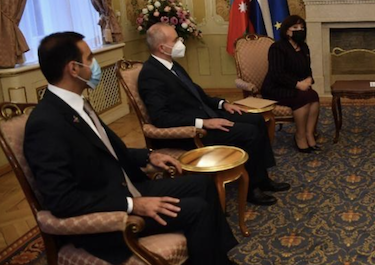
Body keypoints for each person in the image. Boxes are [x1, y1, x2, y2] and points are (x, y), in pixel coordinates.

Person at [24, 32, 238, 265]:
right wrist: (132, 205)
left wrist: (149, 156)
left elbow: (108, 151)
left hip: (126, 188)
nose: (95, 64)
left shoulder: (77, 104)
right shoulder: (46, 124)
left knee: (203, 184)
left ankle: (218, 259)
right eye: (90, 58)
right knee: (197, 209)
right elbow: (62, 199)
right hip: (108, 217)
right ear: (74, 69)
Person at [138, 23, 290, 206]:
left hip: (206, 115)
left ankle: (262, 179)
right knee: (249, 132)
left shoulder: (172, 66)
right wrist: (203, 123)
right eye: (176, 39)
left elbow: (197, 94)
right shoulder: (151, 74)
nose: (181, 42)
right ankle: (252, 188)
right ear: (162, 48)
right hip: (189, 133)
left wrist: (222, 104)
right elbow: (161, 118)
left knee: (256, 120)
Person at [261, 15, 320, 152]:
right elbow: (276, 74)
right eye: (295, 27)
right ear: (287, 30)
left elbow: (307, 69)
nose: (299, 30)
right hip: (276, 88)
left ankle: (309, 134)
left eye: (302, 27)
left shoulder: (303, 47)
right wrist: (297, 84)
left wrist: (309, 79)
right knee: (303, 98)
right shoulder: (277, 48)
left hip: (296, 86)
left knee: (314, 96)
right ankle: (300, 136)